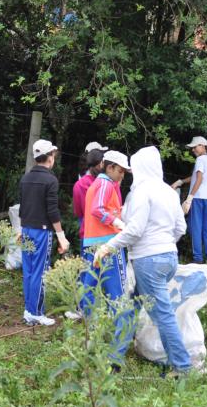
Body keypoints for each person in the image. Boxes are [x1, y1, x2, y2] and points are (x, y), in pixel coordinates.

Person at [95, 146, 190, 377]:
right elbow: (181, 228)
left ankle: (182, 368)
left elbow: (135, 230)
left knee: (163, 315)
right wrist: (165, 244)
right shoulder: (168, 192)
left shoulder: (140, 192)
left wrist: (109, 246)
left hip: (148, 261)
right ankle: (114, 359)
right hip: (169, 258)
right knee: (131, 306)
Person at [18, 139, 70, 326]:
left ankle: (28, 309)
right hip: (41, 232)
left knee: (28, 270)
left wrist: (20, 229)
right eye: (53, 155)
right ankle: (36, 312)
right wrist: (61, 236)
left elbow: (23, 207)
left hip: (26, 229)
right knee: (40, 272)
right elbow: (52, 211)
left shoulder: (25, 178)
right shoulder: (50, 179)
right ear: (49, 158)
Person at [79, 150, 130, 313]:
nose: (122, 175)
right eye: (120, 171)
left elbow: (103, 209)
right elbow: (97, 209)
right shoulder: (105, 183)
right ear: (109, 168)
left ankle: (89, 326)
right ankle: (120, 332)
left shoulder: (97, 184)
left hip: (91, 243)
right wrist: (118, 223)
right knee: (117, 291)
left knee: (89, 287)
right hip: (108, 244)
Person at [171, 136, 207, 263]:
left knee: (194, 228)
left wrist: (190, 197)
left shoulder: (200, 159)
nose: (193, 150)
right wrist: (180, 181)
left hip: (197, 198)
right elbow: (195, 177)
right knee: (206, 228)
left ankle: (198, 258)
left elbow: (199, 179)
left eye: (195, 147)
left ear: (202, 146)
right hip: (206, 198)